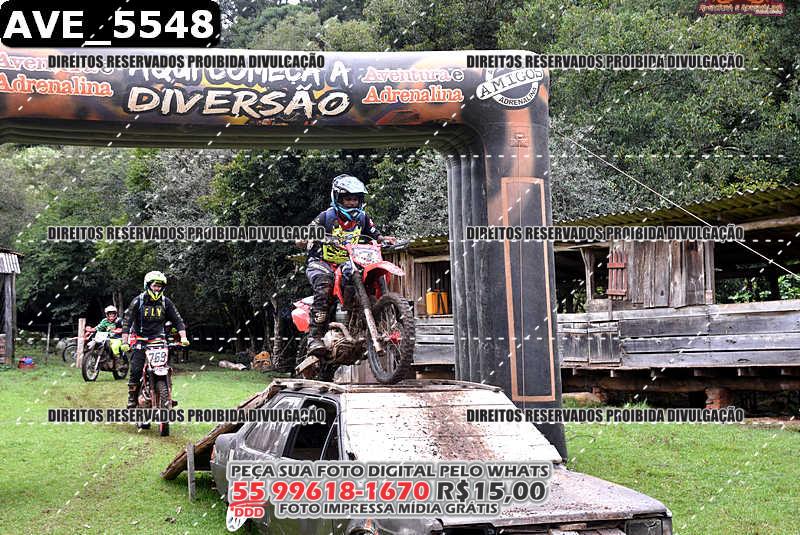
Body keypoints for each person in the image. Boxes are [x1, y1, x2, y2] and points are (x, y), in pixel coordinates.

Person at [302, 174, 395, 357]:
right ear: (338, 199)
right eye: (348, 199)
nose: (352, 203)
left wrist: (384, 239)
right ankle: (315, 337)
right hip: (322, 262)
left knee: (367, 282)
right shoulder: (326, 217)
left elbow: (376, 235)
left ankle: (365, 327)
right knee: (324, 286)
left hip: (348, 262)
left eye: (355, 199)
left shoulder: (363, 218)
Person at [121, 271, 189, 409]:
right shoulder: (138, 301)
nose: (157, 288)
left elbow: (178, 320)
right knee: (136, 369)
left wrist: (183, 337)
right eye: (155, 285)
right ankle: (132, 397)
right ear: (148, 286)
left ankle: (166, 394)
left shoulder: (165, 302)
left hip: (159, 339)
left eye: (160, 286)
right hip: (139, 338)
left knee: (165, 368)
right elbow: (127, 322)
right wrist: (125, 342)